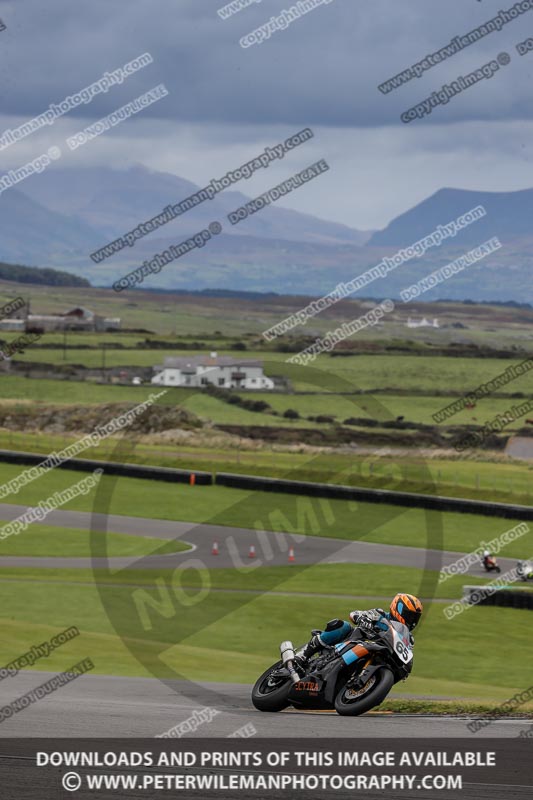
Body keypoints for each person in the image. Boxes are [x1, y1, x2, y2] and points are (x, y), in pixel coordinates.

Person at [295, 593, 423, 669]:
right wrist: (362, 618)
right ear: (397, 607)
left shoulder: (409, 639)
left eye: (414, 618)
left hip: (376, 655)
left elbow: (406, 655)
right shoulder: (379, 614)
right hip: (353, 642)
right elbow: (354, 614)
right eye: (409, 615)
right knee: (343, 626)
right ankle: (303, 655)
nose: (411, 621)